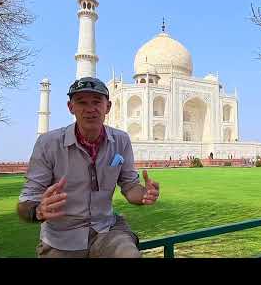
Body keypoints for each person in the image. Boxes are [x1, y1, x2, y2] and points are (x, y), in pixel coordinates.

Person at [17, 77, 160, 258]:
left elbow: (130, 186)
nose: (90, 109)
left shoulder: (121, 140)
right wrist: (38, 211)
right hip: (62, 238)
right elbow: (26, 200)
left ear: (107, 107)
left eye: (96, 102)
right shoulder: (49, 144)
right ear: (71, 107)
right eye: (82, 102)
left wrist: (144, 194)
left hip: (106, 229)